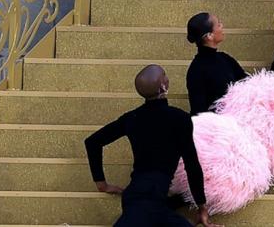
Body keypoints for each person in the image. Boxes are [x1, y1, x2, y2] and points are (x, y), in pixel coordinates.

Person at [84, 65, 217, 227]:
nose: (167, 78)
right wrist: (202, 207)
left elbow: (92, 142)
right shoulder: (179, 118)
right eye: (165, 75)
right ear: (163, 86)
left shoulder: (132, 118)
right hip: (152, 199)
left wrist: (101, 184)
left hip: (138, 197)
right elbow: (192, 165)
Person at [184, 12, 247, 116]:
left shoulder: (225, 58)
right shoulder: (196, 70)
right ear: (209, 36)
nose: (222, 26)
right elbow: (199, 111)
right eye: (218, 25)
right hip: (216, 128)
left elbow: (246, 84)